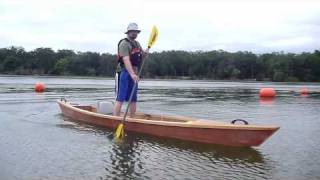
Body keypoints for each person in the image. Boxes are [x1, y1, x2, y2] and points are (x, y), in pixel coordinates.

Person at [113, 23, 148, 117]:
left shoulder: (137, 44)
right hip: (123, 72)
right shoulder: (124, 43)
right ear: (128, 32)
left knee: (133, 98)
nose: (134, 33)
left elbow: (141, 56)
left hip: (134, 73)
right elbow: (126, 59)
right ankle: (115, 119)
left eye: (136, 32)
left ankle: (132, 118)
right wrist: (132, 74)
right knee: (120, 97)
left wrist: (145, 53)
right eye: (132, 31)